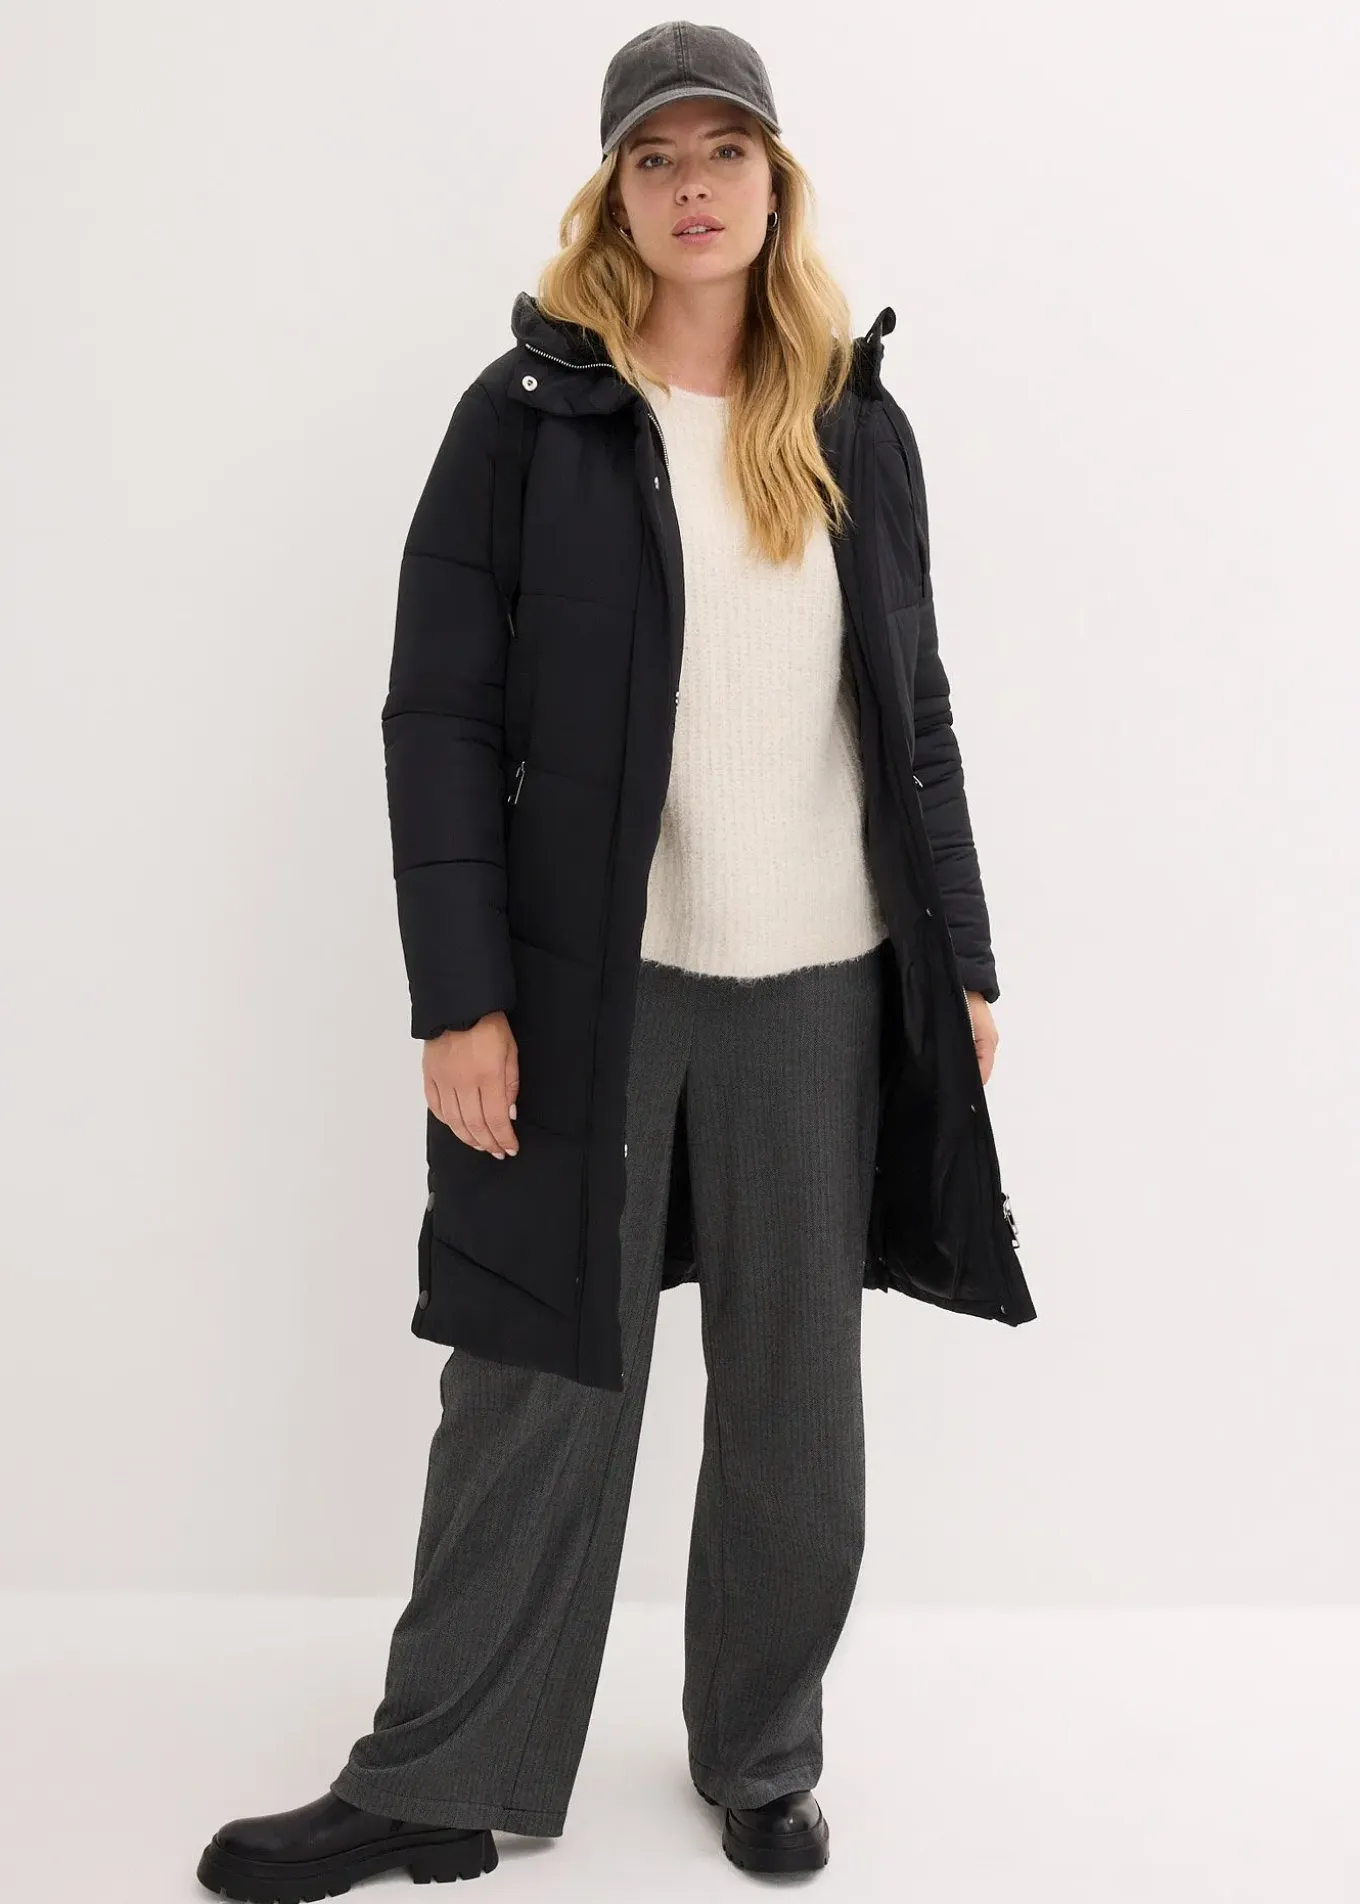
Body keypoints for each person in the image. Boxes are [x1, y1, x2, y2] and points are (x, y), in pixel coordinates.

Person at [196, 19, 1035, 1900]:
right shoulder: (529, 421)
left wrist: (962, 960)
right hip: (598, 991)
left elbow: (915, 718)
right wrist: (459, 998)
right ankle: (441, 1775)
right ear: (613, 194)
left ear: (774, 185)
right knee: (532, 1382)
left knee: (797, 1405)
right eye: (655, 157)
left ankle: (762, 1754)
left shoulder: (855, 426)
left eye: (723, 152)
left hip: (824, 990)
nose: (691, 187)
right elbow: (438, 717)